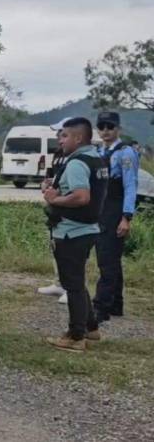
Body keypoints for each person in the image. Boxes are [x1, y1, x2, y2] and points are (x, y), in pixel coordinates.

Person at [43, 117, 108, 352]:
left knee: (73, 286)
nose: (61, 140)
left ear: (78, 137)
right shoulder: (96, 159)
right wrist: (57, 188)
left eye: (65, 136)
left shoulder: (77, 162)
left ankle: (75, 335)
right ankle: (91, 328)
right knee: (77, 282)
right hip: (88, 229)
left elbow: (82, 196)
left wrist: (54, 199)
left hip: (72, 232)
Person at [93, 112, 140, 323]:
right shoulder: (100, 150)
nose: (105, 131)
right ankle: (116, 304)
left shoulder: (126, 153)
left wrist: (126, 217)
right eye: (101, 126)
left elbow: (131, 186)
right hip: (101, 209)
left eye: (109, 127)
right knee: (111, 259)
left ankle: (100, 308)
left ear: (118, 128)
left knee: (107, 260)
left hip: (116, 209)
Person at [37, 118, 71, 301]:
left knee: (68, 249)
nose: (58, 135)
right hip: (54, 206)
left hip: (68, 206)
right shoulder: (58, 153)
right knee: (54, 245)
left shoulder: (77, 156)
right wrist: (46, 183)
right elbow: (50, 176)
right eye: (58, 132)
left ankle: (70, 288)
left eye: (62, 132)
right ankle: (59, 283)